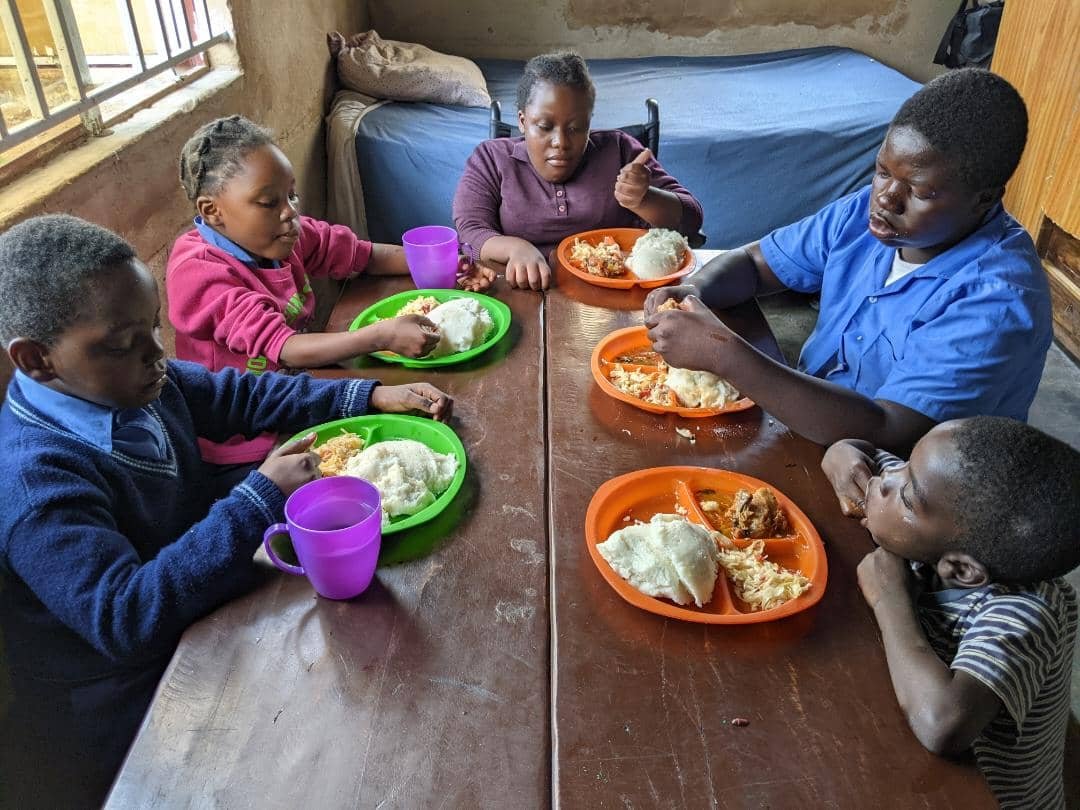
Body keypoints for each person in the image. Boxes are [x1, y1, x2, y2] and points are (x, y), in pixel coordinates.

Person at [0, 215, 453, 806]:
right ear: (37, 359)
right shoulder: (37, 485)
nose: (156, 354)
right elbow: (125, 619)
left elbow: (243, 394)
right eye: (124, 343)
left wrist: (365, 394)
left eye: (154, 328)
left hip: (202, 605)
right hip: (126, 701)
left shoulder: (135, 382)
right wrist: (258, 498)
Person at [645, 69, 1050, 453]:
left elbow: (888, 430)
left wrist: (724, 354)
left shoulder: (995, 301)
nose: (887, 197)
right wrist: (693, 292)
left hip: (891, 484)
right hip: (805, 419)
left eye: (920, 192)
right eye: (882, 171)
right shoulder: (872, 214)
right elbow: (755, 263)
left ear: (984, 198)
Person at [168, 115, 491, 467]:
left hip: (306, 390)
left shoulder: (286, 235)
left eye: (291, 195)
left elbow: (362, 256)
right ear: (212, 211)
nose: (289, 212)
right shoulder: (200, 271)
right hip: (245, 443)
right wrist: (381, 335)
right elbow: (287, 349)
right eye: (268, 202)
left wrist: (446, 265)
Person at [820, 417, 1078, 809]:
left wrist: (890, 597)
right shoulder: (942, 504)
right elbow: (865, 452)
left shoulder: (1023, 617)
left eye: (905, 496)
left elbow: (942, 725)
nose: (886, 478)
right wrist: (841, 455)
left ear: (960, 570)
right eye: (906, 464)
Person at [453, 51, 704, 290]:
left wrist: (645, 198)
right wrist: (515, 249)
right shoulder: (491, 158)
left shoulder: (619, 150)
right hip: (523, 292)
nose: (560, 141)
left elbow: (692, 219)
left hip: (618, 293)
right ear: (522, 121)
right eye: (544, 126)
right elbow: (470, 233)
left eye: (576, 128)